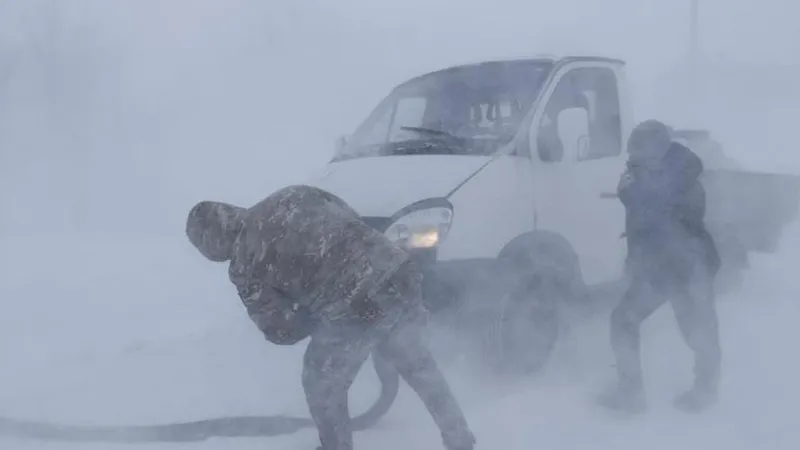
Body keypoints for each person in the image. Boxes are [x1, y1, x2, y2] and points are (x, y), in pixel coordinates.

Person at [184, 185, 476, 450]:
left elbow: (281, 330)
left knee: (320, 381)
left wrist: (314, 314)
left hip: (355, 305)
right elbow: (350, 218)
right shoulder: (291, 195)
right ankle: (459, 437)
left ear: (211, 245)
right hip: (398, 271)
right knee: (417, 363)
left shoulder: (243, 264)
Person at [598, 120, 722, 414]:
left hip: (689, 268)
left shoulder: (685, 179)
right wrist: (635, 261)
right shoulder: (645, 176)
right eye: (632, 153)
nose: (632, 158)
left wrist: (630, 195)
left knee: (698, 332)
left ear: (657, 151)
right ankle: (630, 394)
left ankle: (706, 390)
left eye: (638, 153)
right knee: (623, 320)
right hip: (657, 269)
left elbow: (665, 222)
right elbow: (642, 226)